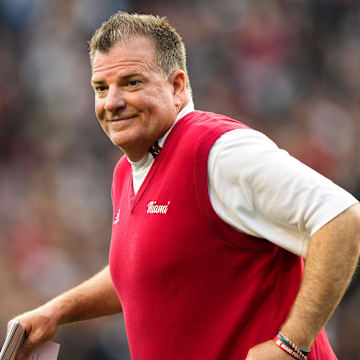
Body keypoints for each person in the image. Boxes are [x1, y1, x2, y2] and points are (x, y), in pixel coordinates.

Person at [7, 11, 360, 360]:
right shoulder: (127, 171)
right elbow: (143, 272)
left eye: (131, 82)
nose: (112, 102)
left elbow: (343, 218)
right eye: (101, 87)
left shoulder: (218, 151)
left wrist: (291, 343)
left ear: (177, 86)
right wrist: (55, 312)